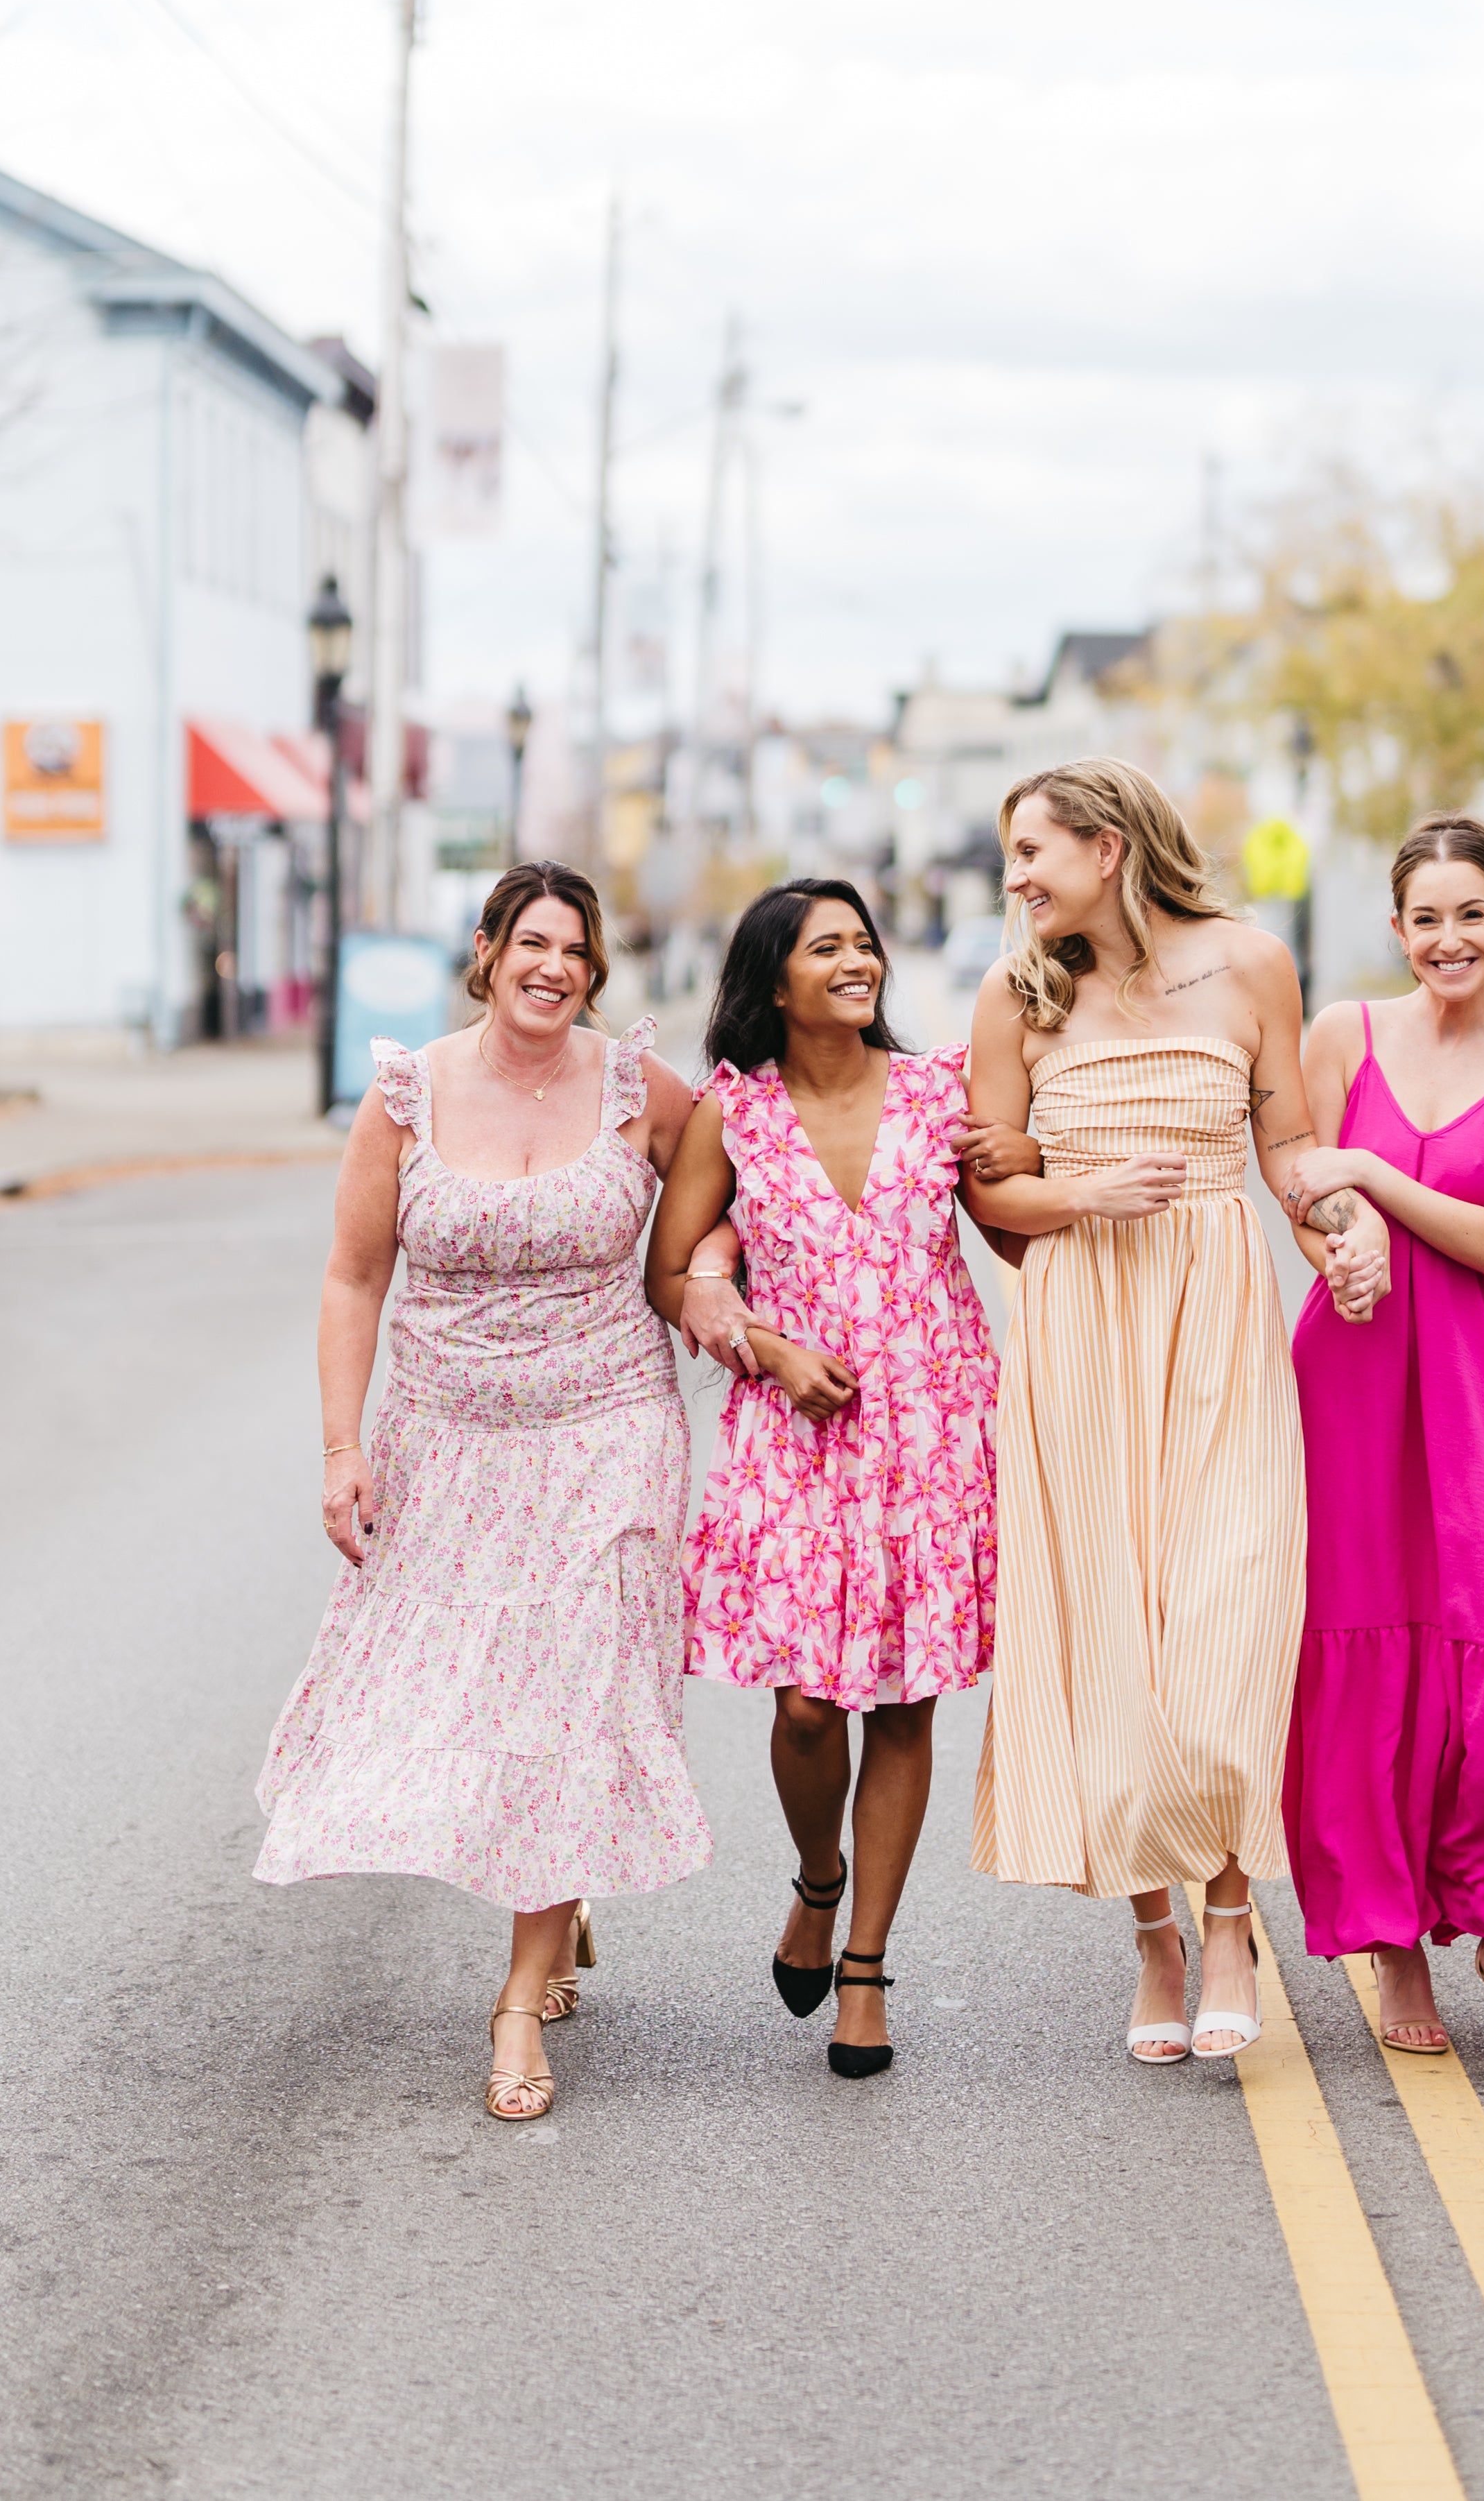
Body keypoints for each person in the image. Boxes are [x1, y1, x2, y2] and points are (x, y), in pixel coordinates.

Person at [255, 861, 711, 2125]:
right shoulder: (406, 1093)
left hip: (607, 1423)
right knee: (464, 1696)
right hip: (446, 1434)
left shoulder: (637, 1088)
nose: (554, 968)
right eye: (533, 944)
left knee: (567, 1689)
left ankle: (520, 1996)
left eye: (575, 950)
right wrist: (342, 1449)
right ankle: (559, 1898)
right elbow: (354, 1282)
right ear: (488, 950)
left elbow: (727, 1195)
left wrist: (718, 1277)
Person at [958, 759, 1389, 2066]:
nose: (1017, 879)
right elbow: (991, 1195)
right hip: (1082, 1330)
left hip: (1215, 1324)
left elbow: (1290, 1151)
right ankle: (1152, 1929)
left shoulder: (1253, 965)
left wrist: (1341, 1225)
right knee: (1109, 1632)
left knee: (1229, 1613)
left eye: (1033, 851)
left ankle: (1227, 1914)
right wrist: (1084, 1197)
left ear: (1108, 843)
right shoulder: (1015, 995)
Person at [644, 879, 1008, 2081]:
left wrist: (1024, 1157)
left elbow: (1004, 1222)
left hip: (931, 1425)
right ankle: (817, 1874)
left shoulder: (937, 1091)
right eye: (827, 947)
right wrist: (768, 1350)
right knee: (807, 1706)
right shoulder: (730, 1114)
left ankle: (865, 1968)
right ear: (775, 979)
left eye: (864, 943)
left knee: (904, 1699)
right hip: (795, 1429)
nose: (858, 962)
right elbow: (669, 1277)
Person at [1276, 811, 1484, 2062]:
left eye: (1471, 915)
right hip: (1349, 1368)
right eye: (1425, 918)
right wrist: (1334, 1244)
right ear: (1396, 930)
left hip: (1478, 1380)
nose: (1448, 939)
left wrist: (1370, 1179)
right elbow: (1299, 1188)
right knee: (1365, 1641)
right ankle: (1391, 1938)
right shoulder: (1341, 1033)